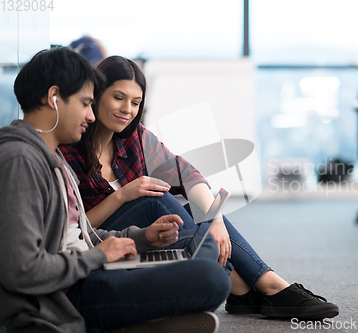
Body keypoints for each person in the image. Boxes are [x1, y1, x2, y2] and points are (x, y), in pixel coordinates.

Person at [59, 55, 340, 320]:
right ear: (96, 95)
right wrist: (121, 196)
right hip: (96, 239)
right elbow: (72, 227)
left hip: (145, 234)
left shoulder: (137, 139)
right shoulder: (68, 148)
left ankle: (258, 286)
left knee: (195, 208)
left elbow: (188, 175)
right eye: (118, 98)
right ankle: (255, 287)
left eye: (135, 102)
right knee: (153, 199)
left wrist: (214, 218)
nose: (127, 110)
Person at [0, 47, 230, 333]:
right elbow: (20, 271)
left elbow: (83, 235)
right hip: (66, 296)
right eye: (86, 103)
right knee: (212, 278)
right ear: (54, 98)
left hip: (87, 269)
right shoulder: (20, 160)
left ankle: (138, 316)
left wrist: (141, 238)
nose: (91, 115)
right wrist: (99, 257)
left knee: (203, 244)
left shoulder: (52, 158)